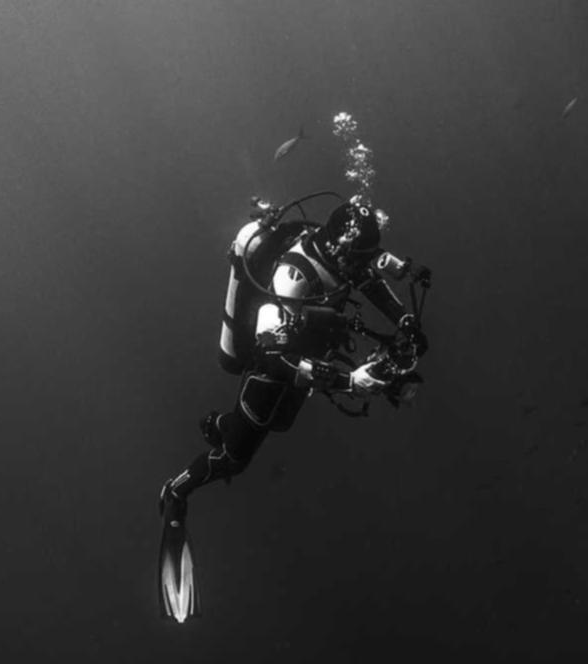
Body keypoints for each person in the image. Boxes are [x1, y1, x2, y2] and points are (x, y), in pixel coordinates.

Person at [159, 193, 428, 529]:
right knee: (234, 458)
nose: (363, 268)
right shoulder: (292, 276)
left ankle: (220, 425)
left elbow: (369, 283)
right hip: (269, 370)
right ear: (340, 250)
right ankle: (175, 492)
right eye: (359, 260)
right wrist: (349, 382)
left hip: (306, 358)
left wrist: (404, 321)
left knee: (281, 422)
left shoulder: (342, 259)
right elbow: (273, 358)